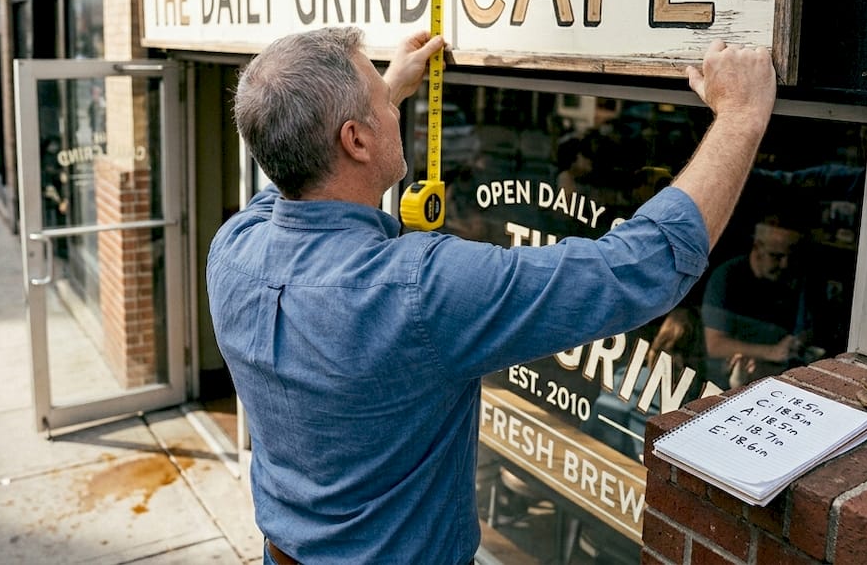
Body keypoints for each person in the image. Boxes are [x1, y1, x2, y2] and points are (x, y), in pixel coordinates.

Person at [205, 29, 775, 564]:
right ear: (355, 139)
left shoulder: (233, 248)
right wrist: (742, 116)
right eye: (382, 100)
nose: (393, 107)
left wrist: (391, 85)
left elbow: (300, 181)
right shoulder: (421, 289)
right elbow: (635, 270)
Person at [701, 220, 810, 388]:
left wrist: (798, 340)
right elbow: (715, 345)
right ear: (757, 247)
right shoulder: (727, 277)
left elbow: (806, 328)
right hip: (726, 378)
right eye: (776, 256)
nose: (784, 264)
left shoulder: (794, 278)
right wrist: (772, 352)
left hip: (775, 377)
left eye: (790, 256)